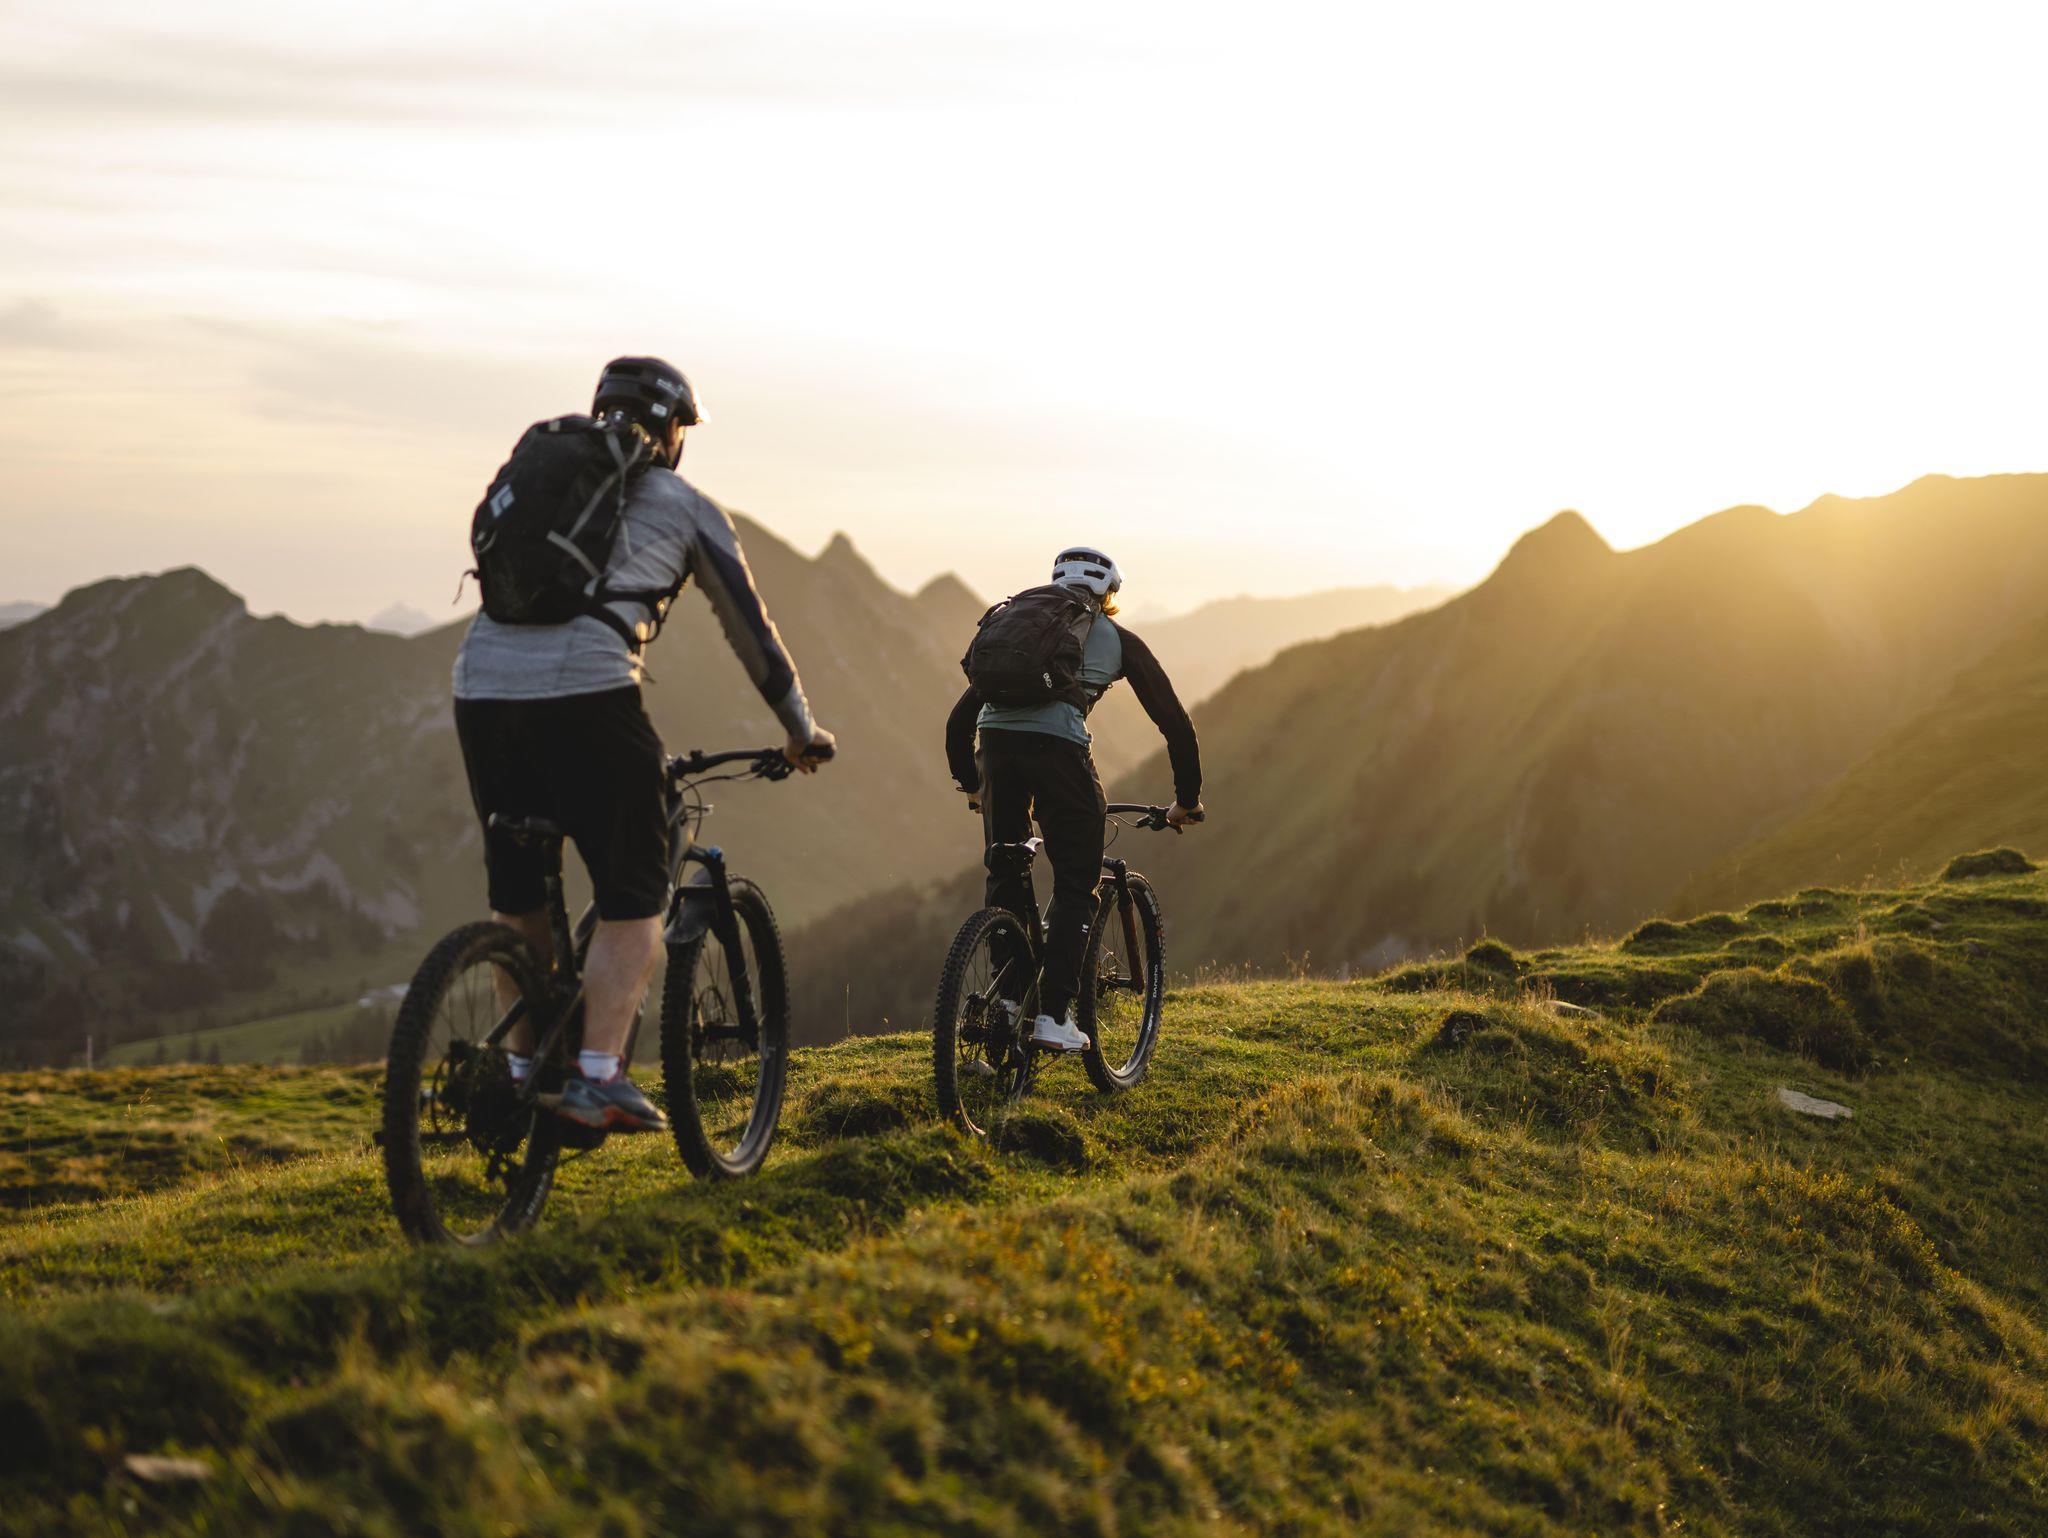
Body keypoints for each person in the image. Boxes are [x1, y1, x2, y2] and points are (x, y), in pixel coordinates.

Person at [452, 356, 835, 1132]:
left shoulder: (549, 480)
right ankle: (597, 1077)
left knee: (519, 891)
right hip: (588, 694)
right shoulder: (686, 506)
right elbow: (753, 636)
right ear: (674, 432)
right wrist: (802, 732)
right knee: (635, 889)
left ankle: (523, 1074)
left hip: (480, 690)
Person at [944, 546, 1203, 1051]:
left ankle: (1008, 1002)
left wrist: (973, 784)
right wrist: (1186, 800)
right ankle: (1054, 1016)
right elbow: (1174, 723)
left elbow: (958, 724)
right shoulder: (1118, 640)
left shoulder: (1022, 635)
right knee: (1076, 879)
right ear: (1109, 594)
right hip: (1058, 753)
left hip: (994, 751)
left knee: (1006, 868)